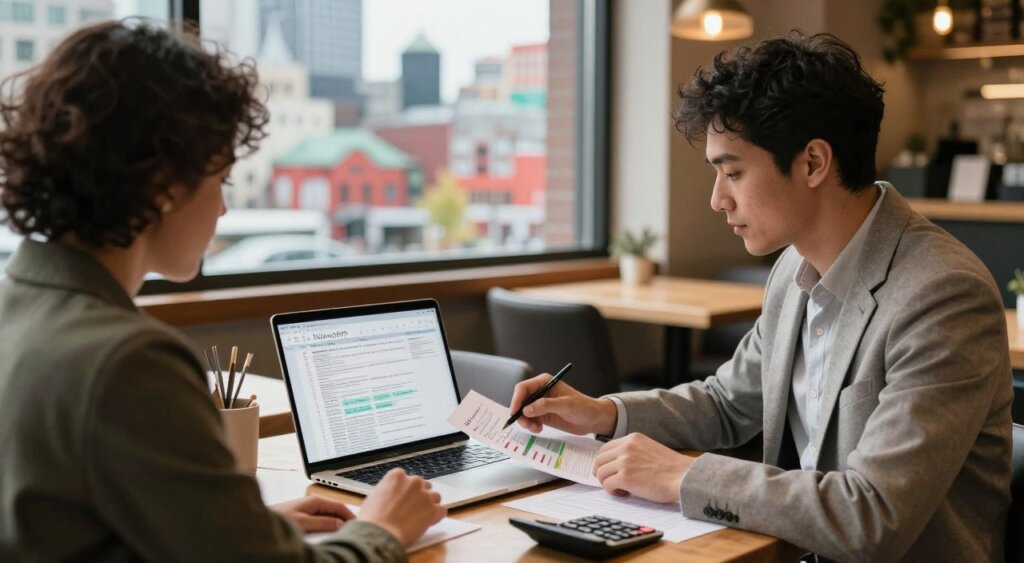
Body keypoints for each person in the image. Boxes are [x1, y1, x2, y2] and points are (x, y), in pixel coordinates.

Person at [509, 33, 1013, 561]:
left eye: (733, 172)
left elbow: (873, 515)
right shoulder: (793, 267)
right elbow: (728, 403)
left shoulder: (942, 295)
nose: (716, 199)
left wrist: (683, 474)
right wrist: (602, 415)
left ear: (814, 163)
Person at [0, 20, 444, 561]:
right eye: (221, 180)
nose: (224, 208)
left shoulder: (18, 307)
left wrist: (238, 524)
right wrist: (383, 528)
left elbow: (74, 515)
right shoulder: (128, 362)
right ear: (163, 186)